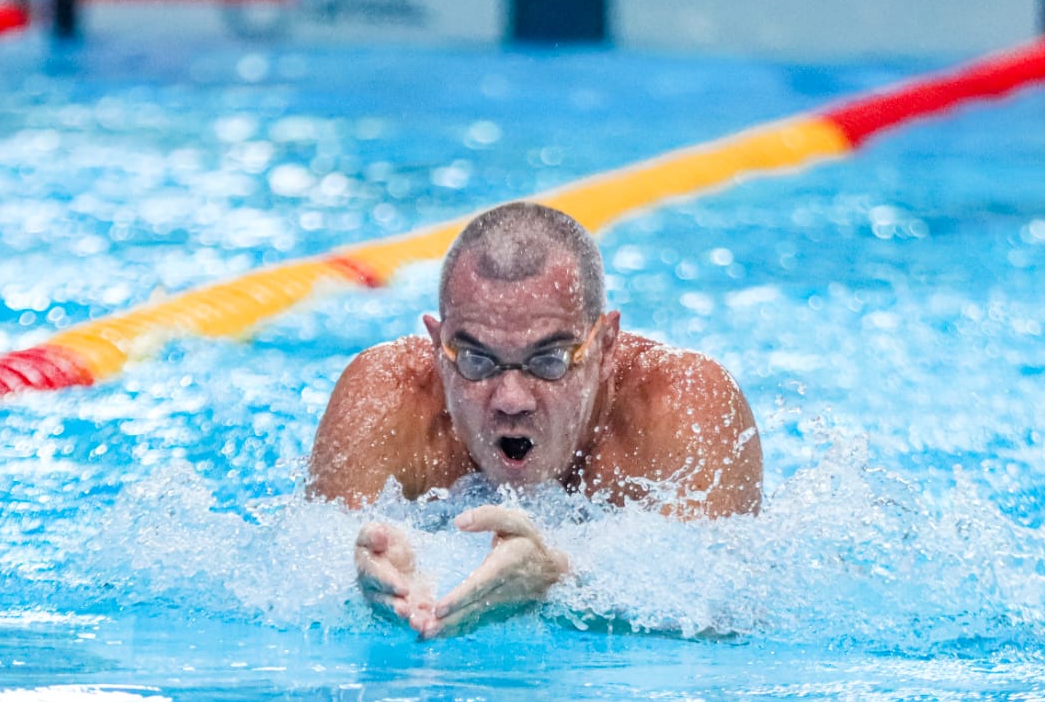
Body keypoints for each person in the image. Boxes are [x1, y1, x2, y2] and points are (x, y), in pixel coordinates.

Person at [307, 202, 762, 638]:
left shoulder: (680, 403)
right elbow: (295, 573)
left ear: (604, 347)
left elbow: (723, 612)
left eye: (548, 360)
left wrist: (559, 576)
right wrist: (367, 582)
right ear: (437, 348)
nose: (510, 399)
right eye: (476, 359)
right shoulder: (386, 398)